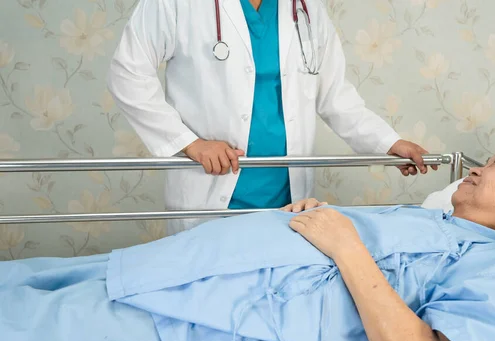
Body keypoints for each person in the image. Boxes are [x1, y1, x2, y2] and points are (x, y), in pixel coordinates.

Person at [0, 144, 495, 341]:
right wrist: (319, 220)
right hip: (171, 269)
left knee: (28, 334)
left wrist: (347, 246)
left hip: (196, 320)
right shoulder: (432, 222)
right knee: (21, 285)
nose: (476, 167)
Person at [107, 0, 434, 235]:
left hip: (287, 199)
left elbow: (335, 95)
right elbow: (128, 73)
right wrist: (189, 143)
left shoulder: (307, 8)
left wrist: (388, 142)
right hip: (211, 192)